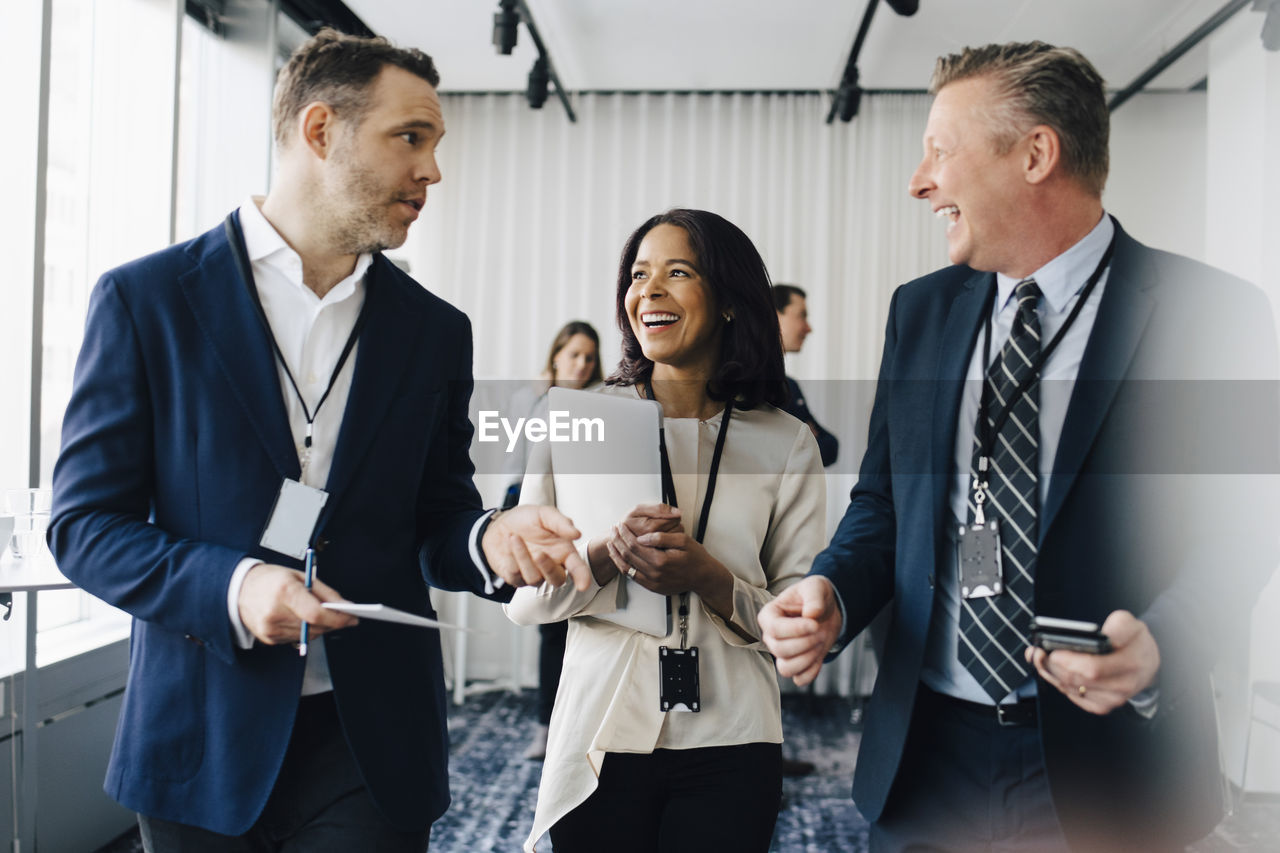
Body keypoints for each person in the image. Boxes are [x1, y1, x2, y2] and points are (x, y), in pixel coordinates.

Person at [48, 28, 587, 852]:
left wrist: (490, 535)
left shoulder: (436, 331)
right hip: (201, 734)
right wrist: (233, 586)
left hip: (369, 739)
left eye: (435, 143)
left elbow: (440, 515)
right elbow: (84, 526)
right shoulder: (145, 301)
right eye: (411, 137)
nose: (433, 170)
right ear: (320, 131)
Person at [760, 41, 1278, 853]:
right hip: (926, 756)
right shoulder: (920, 312)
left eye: (941, 150)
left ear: (1037, 153)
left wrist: (1166, 641)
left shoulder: (1215, 315)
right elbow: (884, 503)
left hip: (1110, 764)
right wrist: (834, 591)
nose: (919, 180)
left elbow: (1244, 529)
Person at [506, 209, 826, 853]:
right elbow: (527, 602)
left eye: (676, 272)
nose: (647, 290)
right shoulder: (572, 424)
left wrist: (710, 579)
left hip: (733, 737)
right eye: (638, 275)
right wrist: (601, 556)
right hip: (602, 735)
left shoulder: (787, 442)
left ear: (731, 301)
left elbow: (797, 621)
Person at [504, 320, 604, 760]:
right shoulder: (528, 401)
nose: (582, 364)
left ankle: (589, 728)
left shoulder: (605, 401)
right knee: (549, 625)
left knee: (589, 624)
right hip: (539, 520)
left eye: (589, 356)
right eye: (574, 354)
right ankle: (547, 728)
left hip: (585, 522)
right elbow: (514, 465)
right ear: (556, 355)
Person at [774, 284, 839, 468]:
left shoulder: (790, 386)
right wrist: (805, 438)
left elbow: (831, 446)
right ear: (774, 315)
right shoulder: (748, 385)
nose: (808, 328)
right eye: (802, 315)